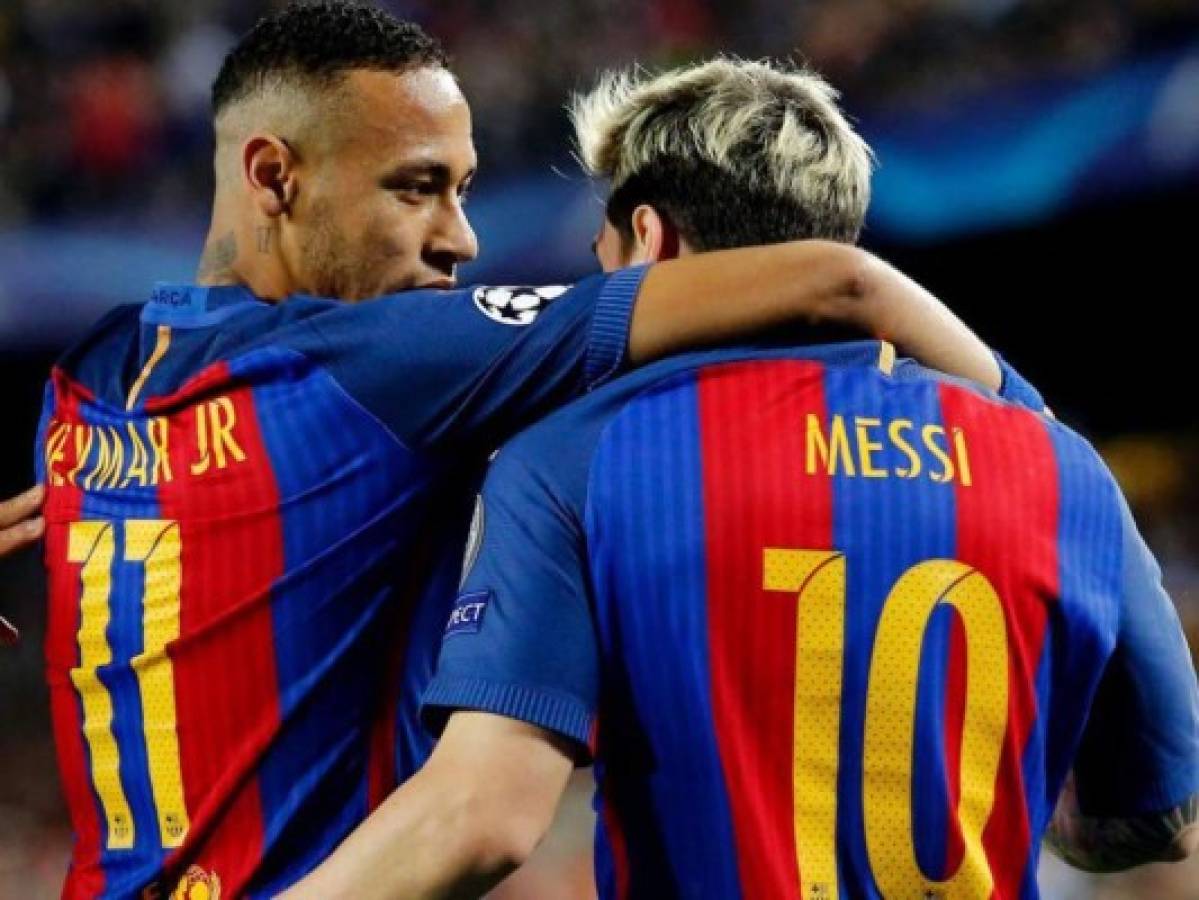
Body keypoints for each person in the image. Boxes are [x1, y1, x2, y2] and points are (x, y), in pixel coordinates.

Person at [23, 4, 1024, 898]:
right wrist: (1034, 433)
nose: (460, 240)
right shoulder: (384, 361)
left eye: (462, 189)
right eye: (417, 188)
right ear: (274, 176)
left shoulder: (86, 385)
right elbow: (838, 282)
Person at [288, 59, 1198, 900]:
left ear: (648, 239)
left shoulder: (576, 458)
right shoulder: (1059, 466)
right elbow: (1151, 818)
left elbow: (480, 818)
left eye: (603, 258)